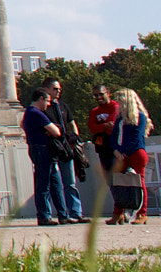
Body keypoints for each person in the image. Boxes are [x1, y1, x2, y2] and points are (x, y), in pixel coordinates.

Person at [22, 87, 65, 226]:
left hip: (36, 148)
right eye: (47, 101)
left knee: (54, 182)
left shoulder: (28, 112)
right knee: (44, 184)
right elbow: (56, 132)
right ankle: (45, 216)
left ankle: (60, 214)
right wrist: (49, 131)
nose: (48, 105)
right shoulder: (36, 113)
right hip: (43, 150)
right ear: (41, 99)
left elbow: (22, 125)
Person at [107, 88, 149, 225]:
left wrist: (124, 150)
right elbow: (113, 136)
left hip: (136, 152)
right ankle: (118, 213)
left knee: (139, 182)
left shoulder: (140, 116)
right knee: (118, 183)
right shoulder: (119, 118)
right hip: (120, 154)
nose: (118, 103)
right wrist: (116, 150)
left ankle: (142, 213)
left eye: (120, 100)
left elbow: (137, 136)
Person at [43, 80, 84, 221]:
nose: (58, 91)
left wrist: (75, 139)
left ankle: (76, 213)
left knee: (70, 182)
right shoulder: (44, 108)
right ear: (46, 89)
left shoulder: (63, 106)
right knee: (52, 184)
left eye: (59, 89)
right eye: (55, 88)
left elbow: (71, 123)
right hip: (52, 149)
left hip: (66, 149)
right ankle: (58, 214)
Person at [88, 83, 122, 177]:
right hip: (103, 148)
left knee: (119, 176)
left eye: (101, 94)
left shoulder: (116, 107)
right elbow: (92, 128)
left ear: (108, 93)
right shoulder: (95, 111)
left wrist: (101, 126)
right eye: (95, 95)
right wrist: (104, 126)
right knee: (108, 176)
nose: (98, 97)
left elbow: (112, 125)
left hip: (115, 145)